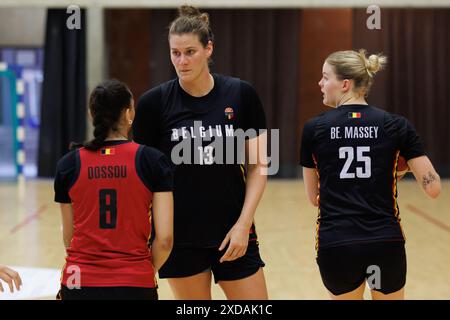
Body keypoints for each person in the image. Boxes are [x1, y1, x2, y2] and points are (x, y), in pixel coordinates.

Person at [133, 5, 268, 300]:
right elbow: (142, 179)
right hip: (179, 239)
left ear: (209, 48)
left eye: (190, 52)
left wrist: (244, 225)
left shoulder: (241, 94)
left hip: (234, 230)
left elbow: (259, 166)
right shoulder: (153, 104)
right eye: (175, 53)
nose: (181, 61)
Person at [300, 49, 441, 300]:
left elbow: (314, 198)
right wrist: (391, 173)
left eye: (325, 77)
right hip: (385, 242)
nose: (320, 83)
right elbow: (433, 188)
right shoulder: (396, 125)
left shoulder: (314, 129)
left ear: (345, 84)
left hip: (337, 244)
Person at [54, 79, 174, 300]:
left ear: (92, 115)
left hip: (79, 280)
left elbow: (69, 236)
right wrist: (142, 271)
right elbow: (165, 239)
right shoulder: (152, 160)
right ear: (129, 114)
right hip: (135, 280)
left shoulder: (68, 164)